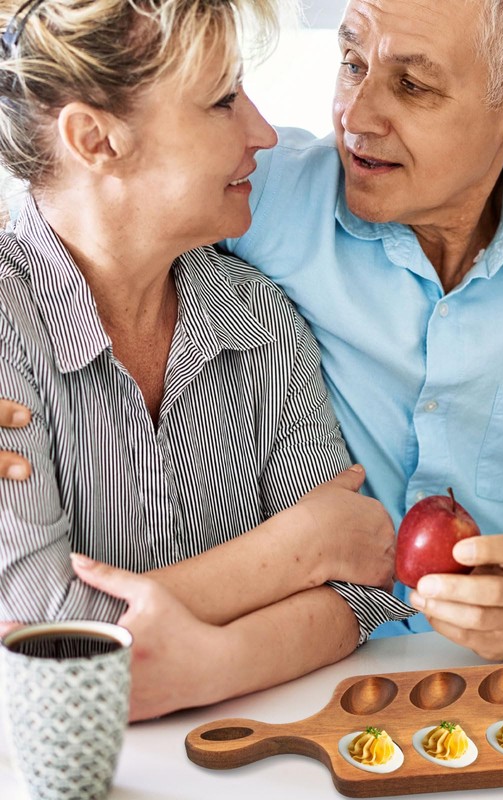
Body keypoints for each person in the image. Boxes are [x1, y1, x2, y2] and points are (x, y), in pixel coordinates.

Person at [1, 0, 503, 662]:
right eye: (351, 63)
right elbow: (82, 163)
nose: (355, 116)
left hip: (474, 670)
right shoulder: (254, 192)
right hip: (286, 675)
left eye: (413, 85)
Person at [0, 0, 413, 722]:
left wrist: (209, 667)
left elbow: (356, 589)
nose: (262, 132)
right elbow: (45, 640)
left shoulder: (260, 318)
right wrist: (299, 546)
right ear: (95, 138)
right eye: (223, 101)